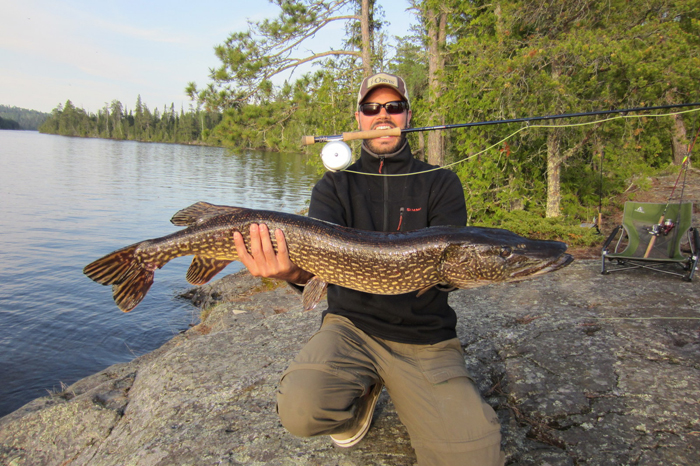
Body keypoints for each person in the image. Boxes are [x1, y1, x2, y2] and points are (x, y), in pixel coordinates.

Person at [232, 72, 505, 465]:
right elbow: (315, 269)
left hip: (425, 340)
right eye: (371, 108)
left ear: (407, 116)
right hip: (350, 329)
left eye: (393, 107)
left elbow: (454, 269)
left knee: (475, 458)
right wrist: (290, 274)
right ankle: (358, 399)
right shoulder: (334, 186)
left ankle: (395, 385)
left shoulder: (441, 182)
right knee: (301, 410)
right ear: (358, 118)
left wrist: (483, 266)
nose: (383, 115)